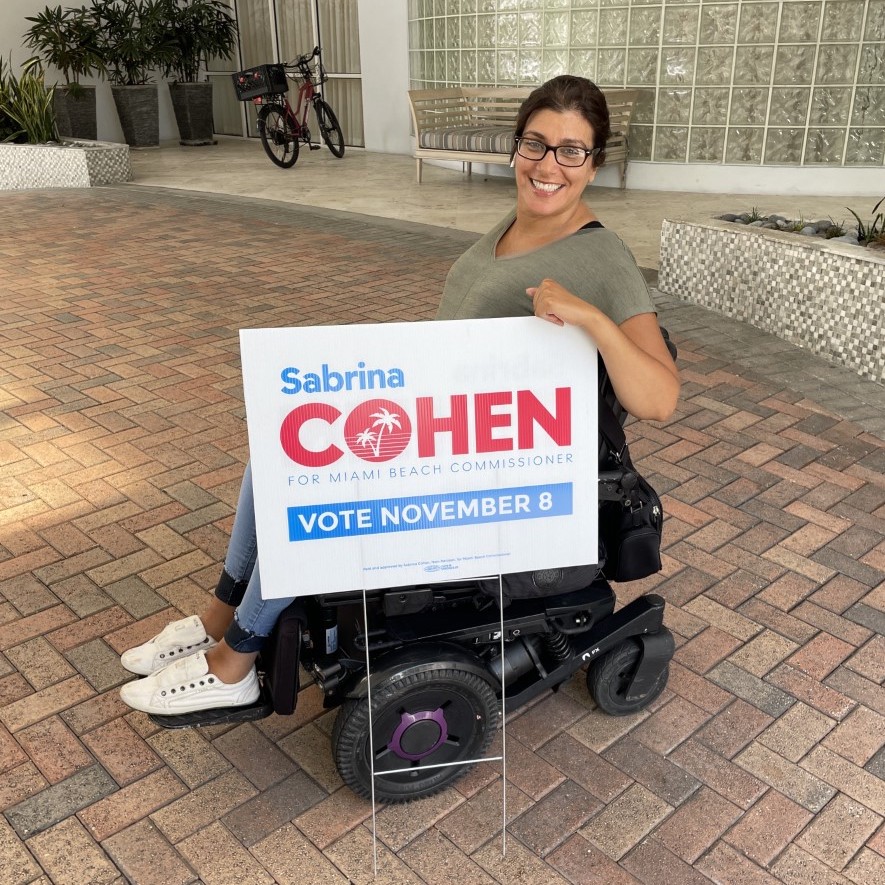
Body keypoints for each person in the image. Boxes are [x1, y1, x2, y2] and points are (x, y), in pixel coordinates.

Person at [119, 75, 680, 716]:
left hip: (483, 465)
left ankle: (235, 662)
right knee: (278, 456)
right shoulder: (516, 222)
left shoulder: (601, 256)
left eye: (571, 151)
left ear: (594, 163)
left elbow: (660, 398)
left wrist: (593, 319)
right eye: (536, 144)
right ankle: (220, 619)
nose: (548, 165)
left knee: (317, 489)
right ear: (516, 148)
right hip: (442, 432)